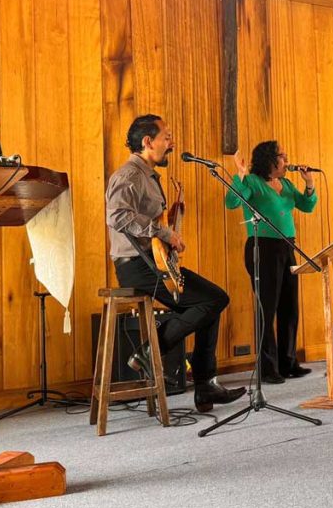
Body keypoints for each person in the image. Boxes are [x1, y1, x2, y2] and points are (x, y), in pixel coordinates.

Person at [105, 114, 245, 412]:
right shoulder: (129, 175)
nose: (172, 143)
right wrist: (165, 231)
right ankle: (151, 350)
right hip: (136, 266)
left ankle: (205, 385)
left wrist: (171, 218)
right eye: (166, 137)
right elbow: (116, 217)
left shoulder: (148, 176)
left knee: (212, 302)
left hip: (152, 263)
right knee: (214, 300)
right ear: (147, 142)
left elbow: (150, 221)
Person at [226, 141, 318, 383]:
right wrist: (240, 175)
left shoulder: (286, 184)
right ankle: (268, 368)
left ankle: (289, 362)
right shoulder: (253, 183)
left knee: (290, 306)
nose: (286, 160)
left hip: (287, 246)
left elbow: (306, 206)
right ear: (269, 160)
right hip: (263, 248)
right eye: (282, 156)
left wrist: (309, 184)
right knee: (267, 308)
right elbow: (232, 202)